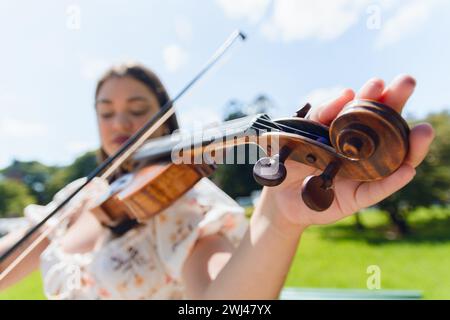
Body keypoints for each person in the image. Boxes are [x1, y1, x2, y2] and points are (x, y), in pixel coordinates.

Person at [0, 63, 435, 299]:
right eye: (107, 111)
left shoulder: (186, 202)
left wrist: (278, 220)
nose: (121, 122)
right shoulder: (81, 195)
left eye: (137, 108)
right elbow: (12, 256)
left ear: (165, 117)